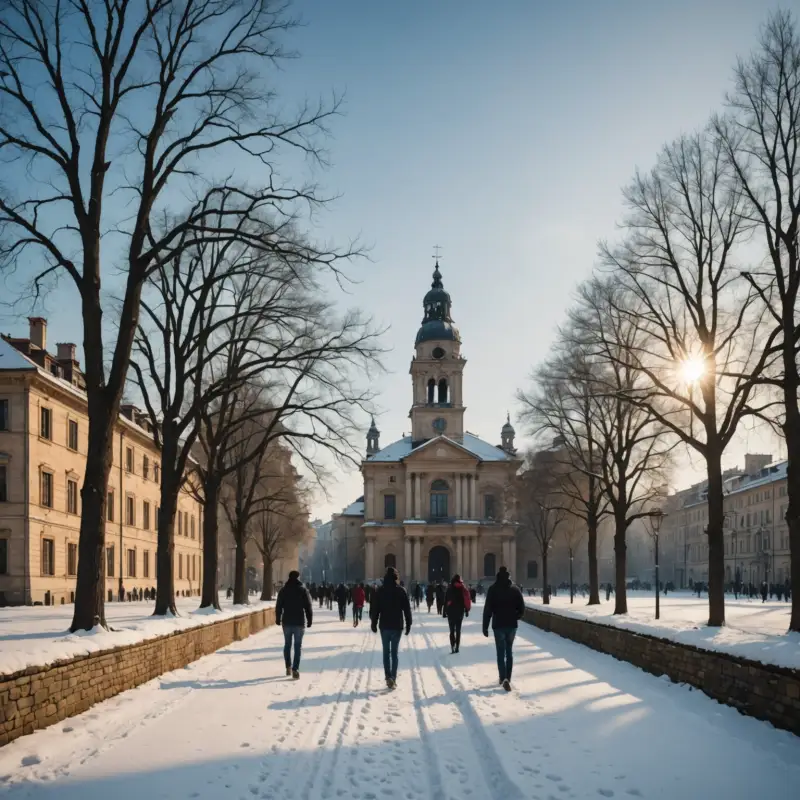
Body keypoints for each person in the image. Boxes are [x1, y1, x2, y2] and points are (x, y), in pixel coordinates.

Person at [482, 566, 525, 691]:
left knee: (500, 652)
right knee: (509, 652)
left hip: (498, 624)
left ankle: (502, 677)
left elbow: (488, 609)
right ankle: (508, 678)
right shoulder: (515, 590)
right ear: (508, 576)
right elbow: (522, 608)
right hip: (511, 624)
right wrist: (516, 616)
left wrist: (485, 626)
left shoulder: (493, 589)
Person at [370, 567, 412, 690]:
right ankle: (393, 678)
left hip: (384, 625)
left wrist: (374, 623)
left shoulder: (380, 591)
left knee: (385, 652)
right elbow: (407, 610)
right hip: (397, 625)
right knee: (394, 653)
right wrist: (409, 624)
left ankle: (388, 676)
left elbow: (376, 609)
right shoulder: (401, 591)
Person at [275, 570, 313, 679]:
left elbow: (279, 606)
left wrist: (278, 618)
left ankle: (288, 666)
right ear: (298, 577)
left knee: (287, 644)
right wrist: (309, 619)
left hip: (286, 621)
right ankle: (295, 669)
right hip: (299, 622)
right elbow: (308, 606)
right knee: (297, 646)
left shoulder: (283, 590)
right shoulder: (302, 590)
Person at [445, 574, 471, 653]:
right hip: (460, 612)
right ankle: (457, 647)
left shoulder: (450, 589)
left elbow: (446, 601)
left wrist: (444, 612)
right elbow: (466, 601)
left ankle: (452, 646)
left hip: (451, 612)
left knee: (452, 631)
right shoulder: (462, 588)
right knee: (458, 630)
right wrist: (466, 610)